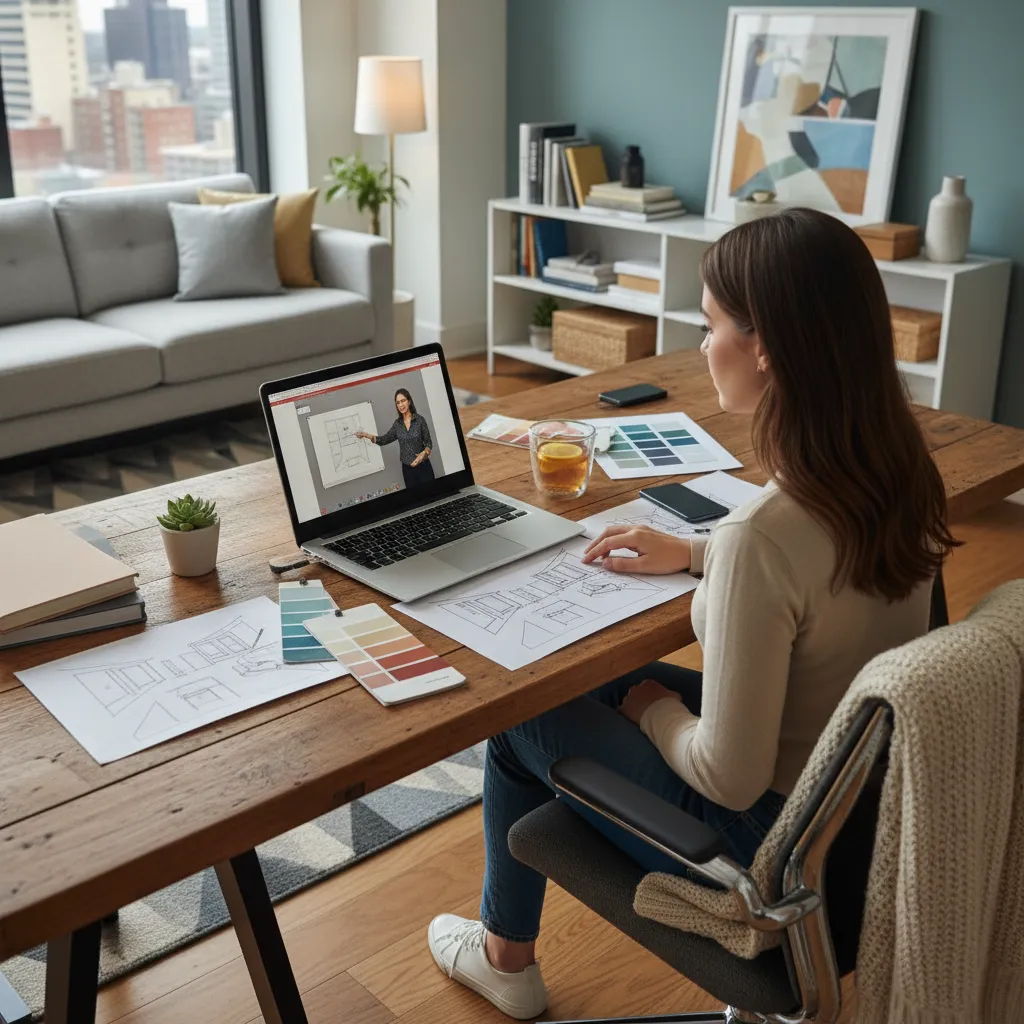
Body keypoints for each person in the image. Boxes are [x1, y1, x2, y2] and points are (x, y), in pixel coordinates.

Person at [424, 208, 959, 1019]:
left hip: (761, 849)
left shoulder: (763, 537)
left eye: (712, 325)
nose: (703, 344)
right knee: (603, 688)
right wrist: (698, 554)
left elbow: (729, 777)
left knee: (522, 713)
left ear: (768, 349)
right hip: (857, 810)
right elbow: (815, 575)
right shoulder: (901, 470)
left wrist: (657, 711)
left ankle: (506, 959)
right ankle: (505, 950)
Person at [356, 388, 434, 488]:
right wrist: (367, 435)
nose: (401, 405)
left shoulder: (420, 420)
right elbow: (384, 440)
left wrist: (424, 453)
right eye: (398, 403)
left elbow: (428, 442)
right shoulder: (398, 425)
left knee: (431, 495)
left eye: (403, 401)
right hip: (408, 470)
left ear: (409, 401)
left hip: (423, 467)